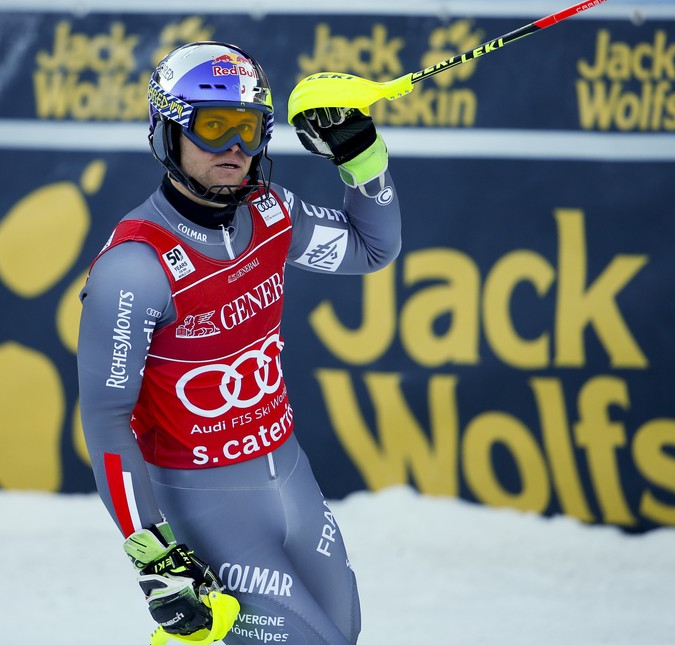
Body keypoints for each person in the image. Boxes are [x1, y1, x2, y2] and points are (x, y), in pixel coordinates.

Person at [76, 41, 401, 645]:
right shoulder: (135, 267)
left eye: (248, 129)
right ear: (166, 133)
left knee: (344, 632)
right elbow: (106, 421)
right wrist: (152, 556)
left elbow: (372, 248)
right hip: (205, 503)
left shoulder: (272, 214)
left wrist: (361, 156)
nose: (234, 146)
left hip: (290, 477)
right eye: (213, 126)